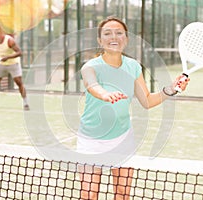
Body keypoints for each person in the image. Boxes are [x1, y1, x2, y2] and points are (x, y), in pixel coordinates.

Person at [78, 16, 189, 200]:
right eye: (107, 33)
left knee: (122, 194)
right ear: (100, 40)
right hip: (91, 140)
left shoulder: (133, 67)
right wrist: (105, 94)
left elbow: (146, 100)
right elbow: (92, 86)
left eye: (119, 32)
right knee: (89, 195)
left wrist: (171, 89)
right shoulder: (90, 66)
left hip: (122, 138)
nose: (114, 36)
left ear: (126, 39)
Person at [0, 25, 29, 110]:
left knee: (19, 83)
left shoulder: (9, 41)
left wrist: (8, 57)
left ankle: (26, 103)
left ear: (0, 32)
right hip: (2, 64)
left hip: (13, 64)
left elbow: (19, 52)